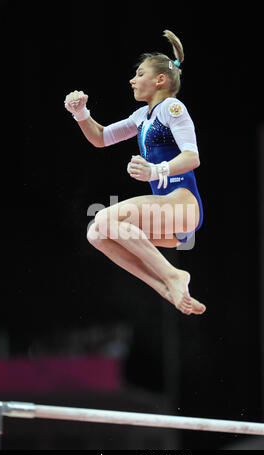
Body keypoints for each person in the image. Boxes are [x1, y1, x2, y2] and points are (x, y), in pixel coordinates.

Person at [64, 30, 206, 316]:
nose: (132, 80)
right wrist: (81, 114)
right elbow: (101, 137)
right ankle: (167, 288)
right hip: (169, 221)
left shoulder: (172, 107)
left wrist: (155, 169)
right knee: (97, 233)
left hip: (183, 204)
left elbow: (192, 157)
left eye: (140, 74)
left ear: (160, 80)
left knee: (104, 217)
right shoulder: (141, 117)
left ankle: (174, 276)